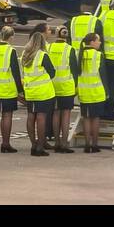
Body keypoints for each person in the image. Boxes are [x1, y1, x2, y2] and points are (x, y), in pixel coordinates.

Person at [20, 26, 58, 157]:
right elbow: (52, 72)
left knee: (31, 117)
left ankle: (33, 144)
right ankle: (40, 146)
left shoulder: (25, 55)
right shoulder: (43, 55)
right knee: (41, 118)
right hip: (43, 91)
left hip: (30, 90)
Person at [0, 26, 23, 154]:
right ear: (11, 36)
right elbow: (15, 72)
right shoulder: (10, 51)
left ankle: (5, 142)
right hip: (8, 88)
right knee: (8, 116)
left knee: (3, 115)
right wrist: (20, 90)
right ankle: (6, 143)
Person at [48, 25, 77, 154]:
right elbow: (74, 69)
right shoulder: (69, 49)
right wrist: (76, 84)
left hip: (53, 85)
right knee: (66, 115)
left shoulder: (49, 47)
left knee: (56, 113)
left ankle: (57, 142)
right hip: (66, 86)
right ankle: (65, 143)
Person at [77, 32, 107, 153]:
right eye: (98, 40)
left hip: (84, 92)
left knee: (86, 118)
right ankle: (95, 145)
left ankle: (87, 144)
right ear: (92, 42)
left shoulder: (80, 55)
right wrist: (107, 91)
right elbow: (103, 75)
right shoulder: (98, 55)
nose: (100, 42)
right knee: (95, 118)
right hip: (97, 91)